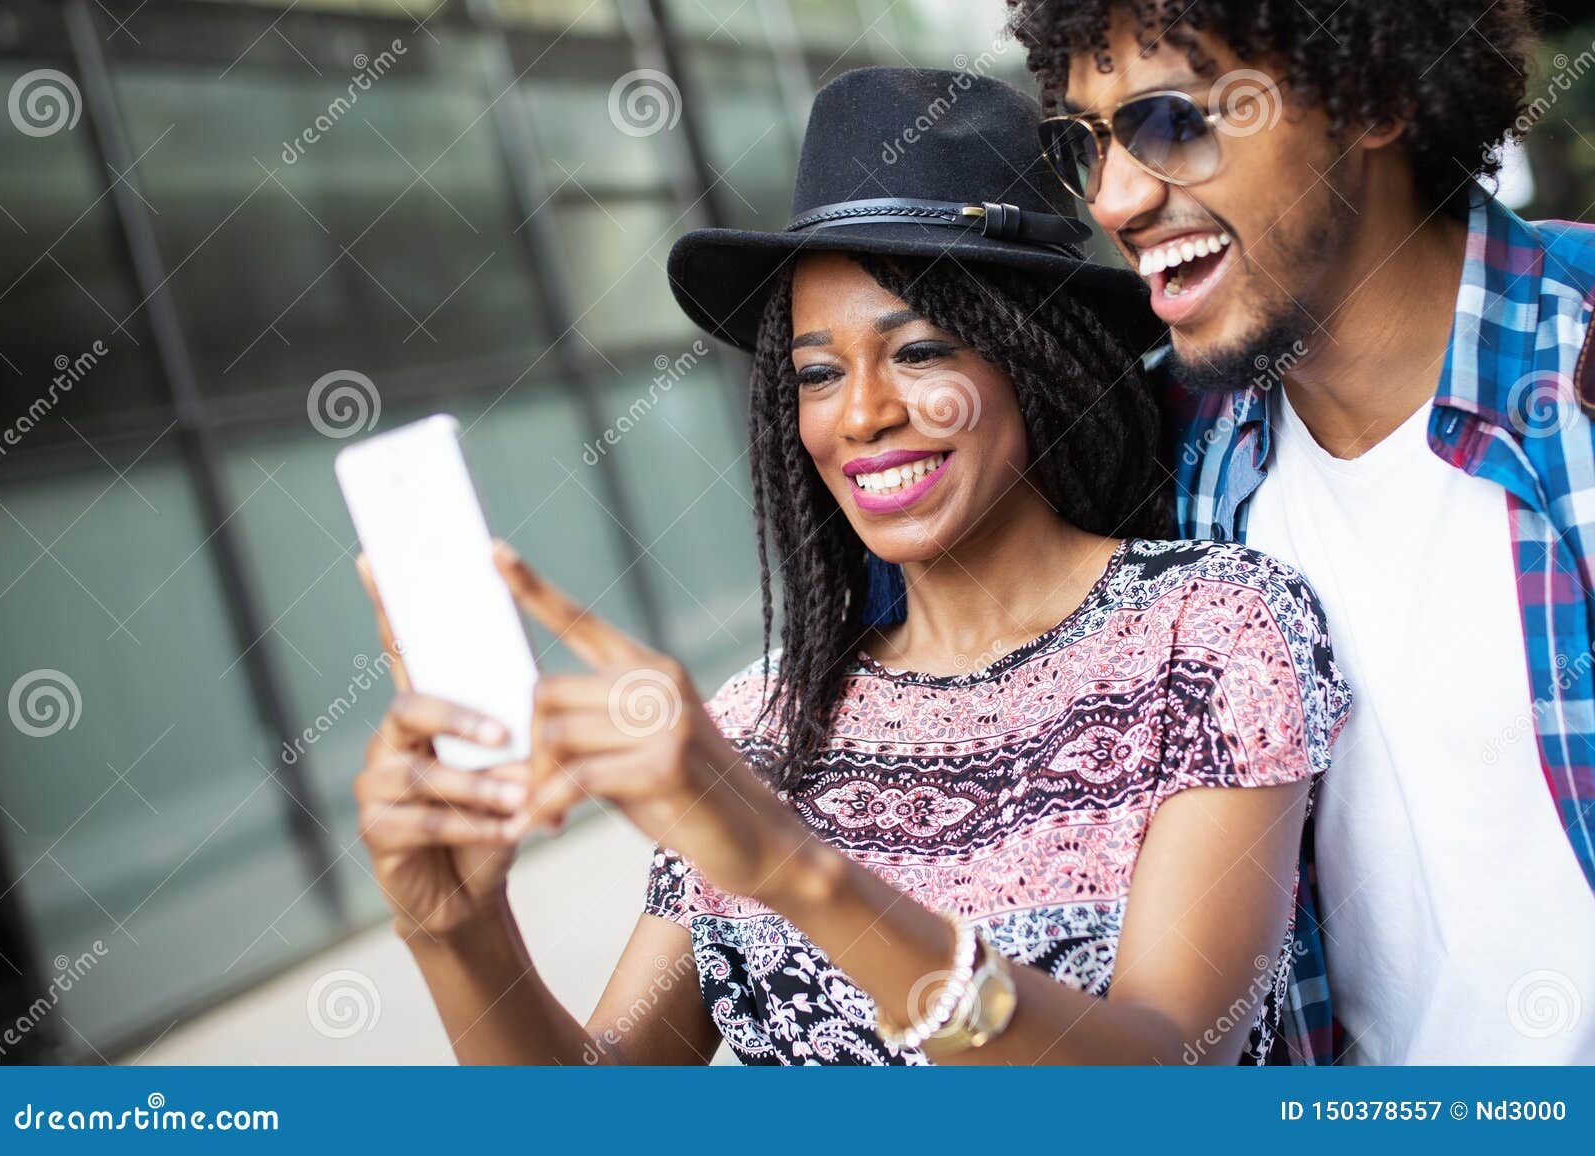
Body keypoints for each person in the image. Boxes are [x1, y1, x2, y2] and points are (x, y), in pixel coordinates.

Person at [351, 66, 1347, 1066]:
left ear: (1037, 358)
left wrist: (793, 868)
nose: (860, 414)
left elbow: (1163, 1072)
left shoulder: (1210, 631)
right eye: (817, 373)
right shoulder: (753, 731)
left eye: (918, 353)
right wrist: (458, 931)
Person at [1009, 0, 1595, 1063]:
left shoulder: (1579, 357)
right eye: (1079, 145)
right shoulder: (1156, 467)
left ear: (1371, 94)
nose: (1118, 197)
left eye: (1170, 122)